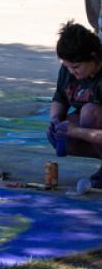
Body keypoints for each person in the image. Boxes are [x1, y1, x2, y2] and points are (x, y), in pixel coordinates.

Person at [48, 21, 102, 188]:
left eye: (76, 67)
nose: (72, 72)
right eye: (67, 66)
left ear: (93, 57)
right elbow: (60, 98)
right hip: (92, 128)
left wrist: (76, 131)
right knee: (56, 133)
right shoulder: (69, 68)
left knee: (89, 112)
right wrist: (55, 119)